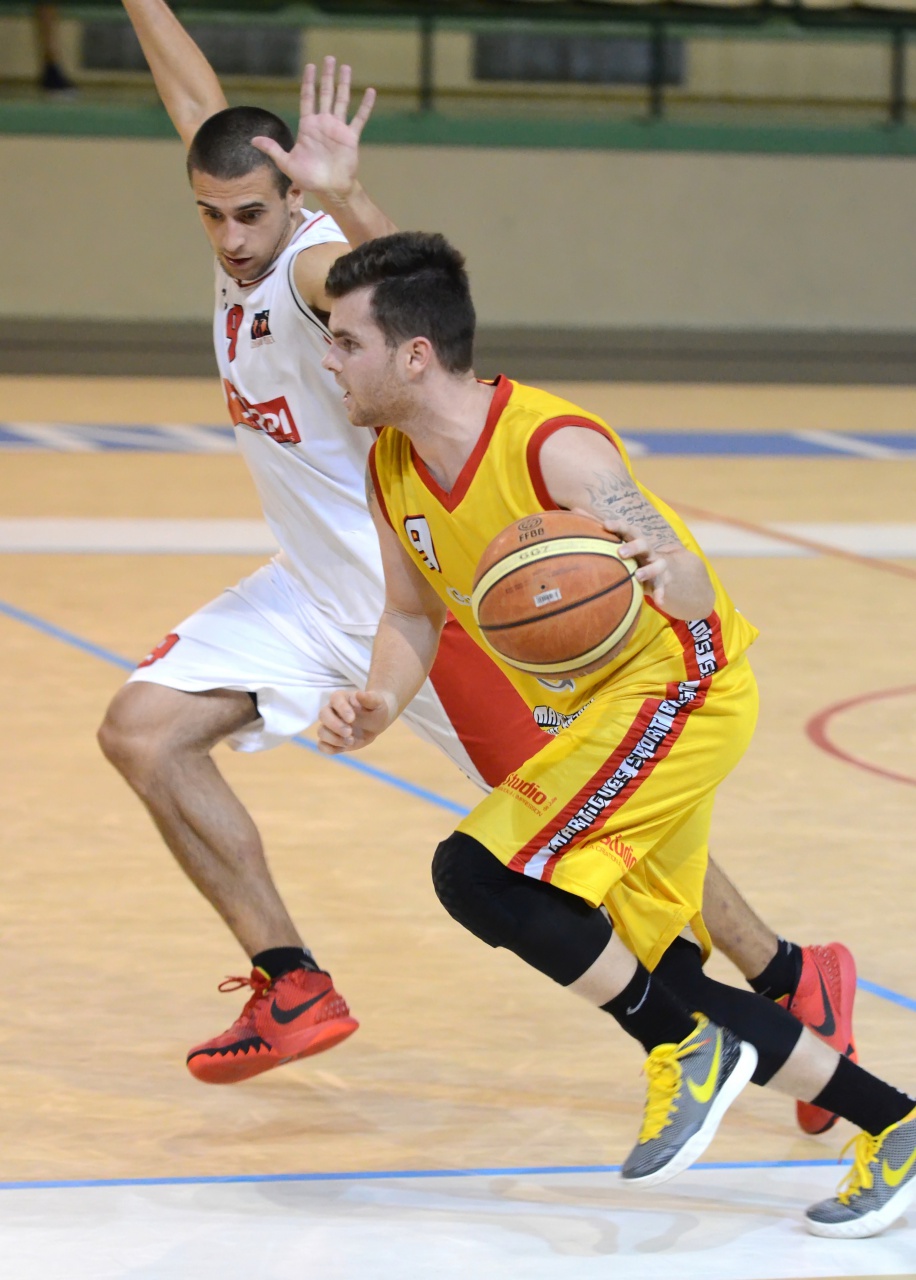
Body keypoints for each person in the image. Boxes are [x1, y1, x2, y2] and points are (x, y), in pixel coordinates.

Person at [99, 0, 856, 1133]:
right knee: (141, 731)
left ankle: (786, 975)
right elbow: (194, 99)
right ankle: (291, 980)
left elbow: (395, 291)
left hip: (426, 609)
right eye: (211, 214)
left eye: (252, 213)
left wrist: (349, 194)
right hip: (311, 592)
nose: (231, 237)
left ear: (292, 198)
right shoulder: (235, 211)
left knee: (594, 837)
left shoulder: (310, 264)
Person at [315, 231, 916, 1238]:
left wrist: (665, 564)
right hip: (605, 714)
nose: (329, 360)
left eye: (344, 342)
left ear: (413, 354)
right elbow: (413, 612)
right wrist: (378, 700)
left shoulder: (555, 446)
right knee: (662, 975)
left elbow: (684, 574)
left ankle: (683, 1050)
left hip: (681, 688)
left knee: (476, 873)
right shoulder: (391, 464)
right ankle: (894, 1123)